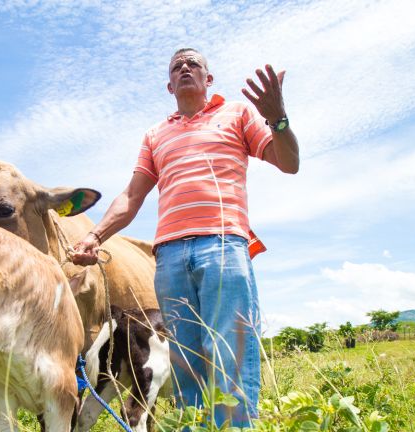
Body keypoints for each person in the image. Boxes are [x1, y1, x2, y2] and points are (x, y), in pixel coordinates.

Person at [71, 47, 299, 427]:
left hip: (222, 245)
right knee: (185, 361)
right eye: (177, 66)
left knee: (229, 350)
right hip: (170, 258)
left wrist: (277, 120)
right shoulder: (156, 135)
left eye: (193, 63)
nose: (185, 68)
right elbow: (131, 197)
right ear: (169, 85)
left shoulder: (237, 114)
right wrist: (95, 235)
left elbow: (289, 163)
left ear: (208, 79)